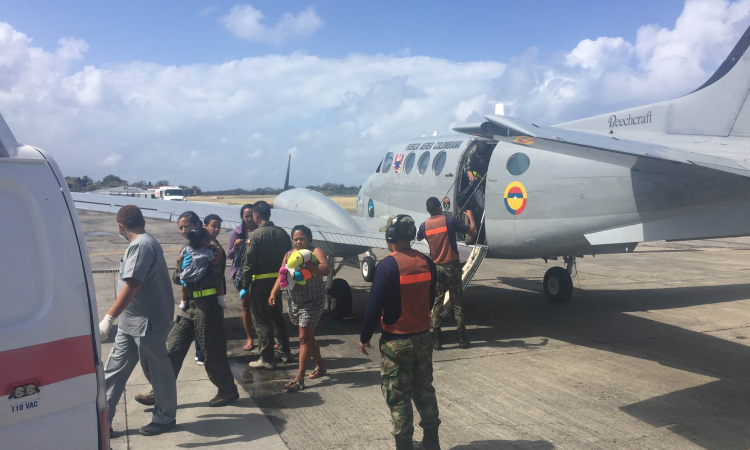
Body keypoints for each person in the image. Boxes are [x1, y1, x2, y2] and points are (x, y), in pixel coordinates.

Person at [134, 211, 239, 408]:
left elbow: (206, 277)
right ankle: (159, 391)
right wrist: (185, 271)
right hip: (188, 306)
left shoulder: (214, 249)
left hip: (207, 306)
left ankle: (228, 390)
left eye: (188, 226)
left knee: (212, 352)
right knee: (172, 348)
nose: (184, 231)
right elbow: (176, 278)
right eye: (181, 228)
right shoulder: (188, 248)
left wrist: (186, 271)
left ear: (199, 225)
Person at [359, 214, 441, 450]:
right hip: (424, 337)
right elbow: (431, 297)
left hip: (397, 341)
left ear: (391, 236)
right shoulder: (427, 262)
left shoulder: (387, 265)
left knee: (397, 396)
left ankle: (404, 445)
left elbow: (374, 306)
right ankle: (432, 442)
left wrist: (364, 337)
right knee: (425, 388)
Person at [99, 205, 177, 436]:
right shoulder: (139, 243)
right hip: (129, 322)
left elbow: (133, 284)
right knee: (112, 372)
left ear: (120, 226)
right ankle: (104, 421)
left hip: (147, 323)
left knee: (158, 373)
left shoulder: (142, 245)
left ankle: (164, 418)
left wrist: (108, 316)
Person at [269, 225, 330, 392]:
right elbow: (282, 275)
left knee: (303, 338)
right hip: (295, 301)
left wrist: (307, 263)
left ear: (309, 239)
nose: (298, 242)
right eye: (295, 239)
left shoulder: (315, 251)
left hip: (313, 301)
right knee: (308, 337)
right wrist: (274, 293)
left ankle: (299, 379)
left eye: (301, 238)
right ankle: (321, 366)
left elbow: (325, 269)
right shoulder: (289, 255)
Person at [417, 197, 477, 350]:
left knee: (437, 302)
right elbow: (473, 231)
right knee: (457, 302)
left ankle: (437, 340)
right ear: (439, 207)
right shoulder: (449, 221)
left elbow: (418, 236)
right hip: (452, 267)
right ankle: (462, 339)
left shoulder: (425, 225)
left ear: (428, 210)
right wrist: (470, 216)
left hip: (436, 268)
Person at [241, 200, 292, 369]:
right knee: (278, 318)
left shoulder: (254, 236)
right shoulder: (283, 233)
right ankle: (285, 354)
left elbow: (249, 262)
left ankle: (266, 358)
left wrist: (244, 284)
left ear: (256, 215)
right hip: (278, 282)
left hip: (260, 283)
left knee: (262, 321)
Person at [228, 205, 257, 351]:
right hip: (241, 272)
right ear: (242, 217)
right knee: (246, 306)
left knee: (261, 306)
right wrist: (235, 246)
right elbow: (230, 255)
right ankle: (249, 337)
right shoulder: (237, 232)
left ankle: (266, 337)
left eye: (252, 215)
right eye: (247, 216)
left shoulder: (260, 231)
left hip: (258, 272)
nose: (250, 219)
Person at [178, 228, 220, 311]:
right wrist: (219, 253)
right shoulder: (207, 252)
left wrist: (182, 263)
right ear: (203, 242)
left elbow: (180, 258)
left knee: (184, 288)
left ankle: (183, 302)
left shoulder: (187, 248)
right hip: (198, 277)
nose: (210, 242)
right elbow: (214, 262)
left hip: (185, 276)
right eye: (208, 240)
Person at [462, 142, 492, 244]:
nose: (482, 160)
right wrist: (471, 177)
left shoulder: (493, 152)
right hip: (476, 182)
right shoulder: (473, 153)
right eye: (480, 158)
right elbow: (468, 169)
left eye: (484, 158)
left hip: (490, 182)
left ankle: (486, 235)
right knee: (471, 205)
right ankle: (470, 234)